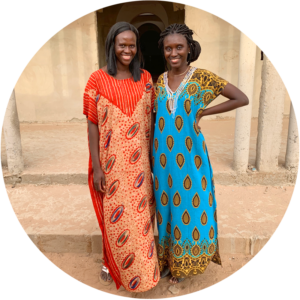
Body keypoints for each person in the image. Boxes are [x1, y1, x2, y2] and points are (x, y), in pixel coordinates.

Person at [151, 24, 249, 284]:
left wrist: (205, 112)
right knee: (165, 210)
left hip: (191, 160)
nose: (174, 53)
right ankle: (167, 261)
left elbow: (241, 98)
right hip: (162, 162)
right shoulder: (160, 80)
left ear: (189, 49)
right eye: (168, 48)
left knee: (190, 207)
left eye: (179, 47)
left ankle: (185, 265)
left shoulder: (202, 78)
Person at [83, 21, 160, 292]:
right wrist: (98, 168)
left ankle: (145, 273)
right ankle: (110, 262)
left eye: (132, 44)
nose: (127, 49)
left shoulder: (146, 79)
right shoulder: (97, 79)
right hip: (111, 164)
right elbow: (92, 123)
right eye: (122, 44)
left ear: (137, 48)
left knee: (139, 220)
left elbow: (152, 121)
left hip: (139, 164)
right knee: (114, 218)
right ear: (112, 46)